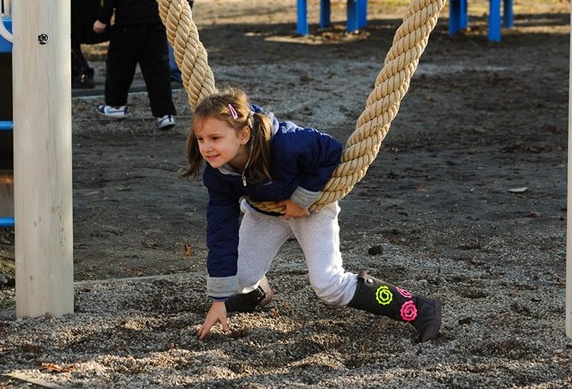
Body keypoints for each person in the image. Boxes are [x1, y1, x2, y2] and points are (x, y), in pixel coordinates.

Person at [183, 90, 442, 342]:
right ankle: (257, 293)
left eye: (215, 138)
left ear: (244, 134)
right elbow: (220, 231)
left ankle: (419, 307)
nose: (207, 147)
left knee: (328, 285)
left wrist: (301, 199)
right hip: (264, 211)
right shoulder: (218, 174)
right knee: (234, 278)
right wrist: (218, 301)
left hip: (312, 207)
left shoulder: (287, 143)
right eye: (201, 139)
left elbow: (330, 151)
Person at [93, 0, 177, 130]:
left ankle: (116, 105)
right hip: (156, 20)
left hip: (127, 22)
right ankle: (164, 114)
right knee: (157, 68)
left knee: (119, 65)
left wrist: (102, 18)